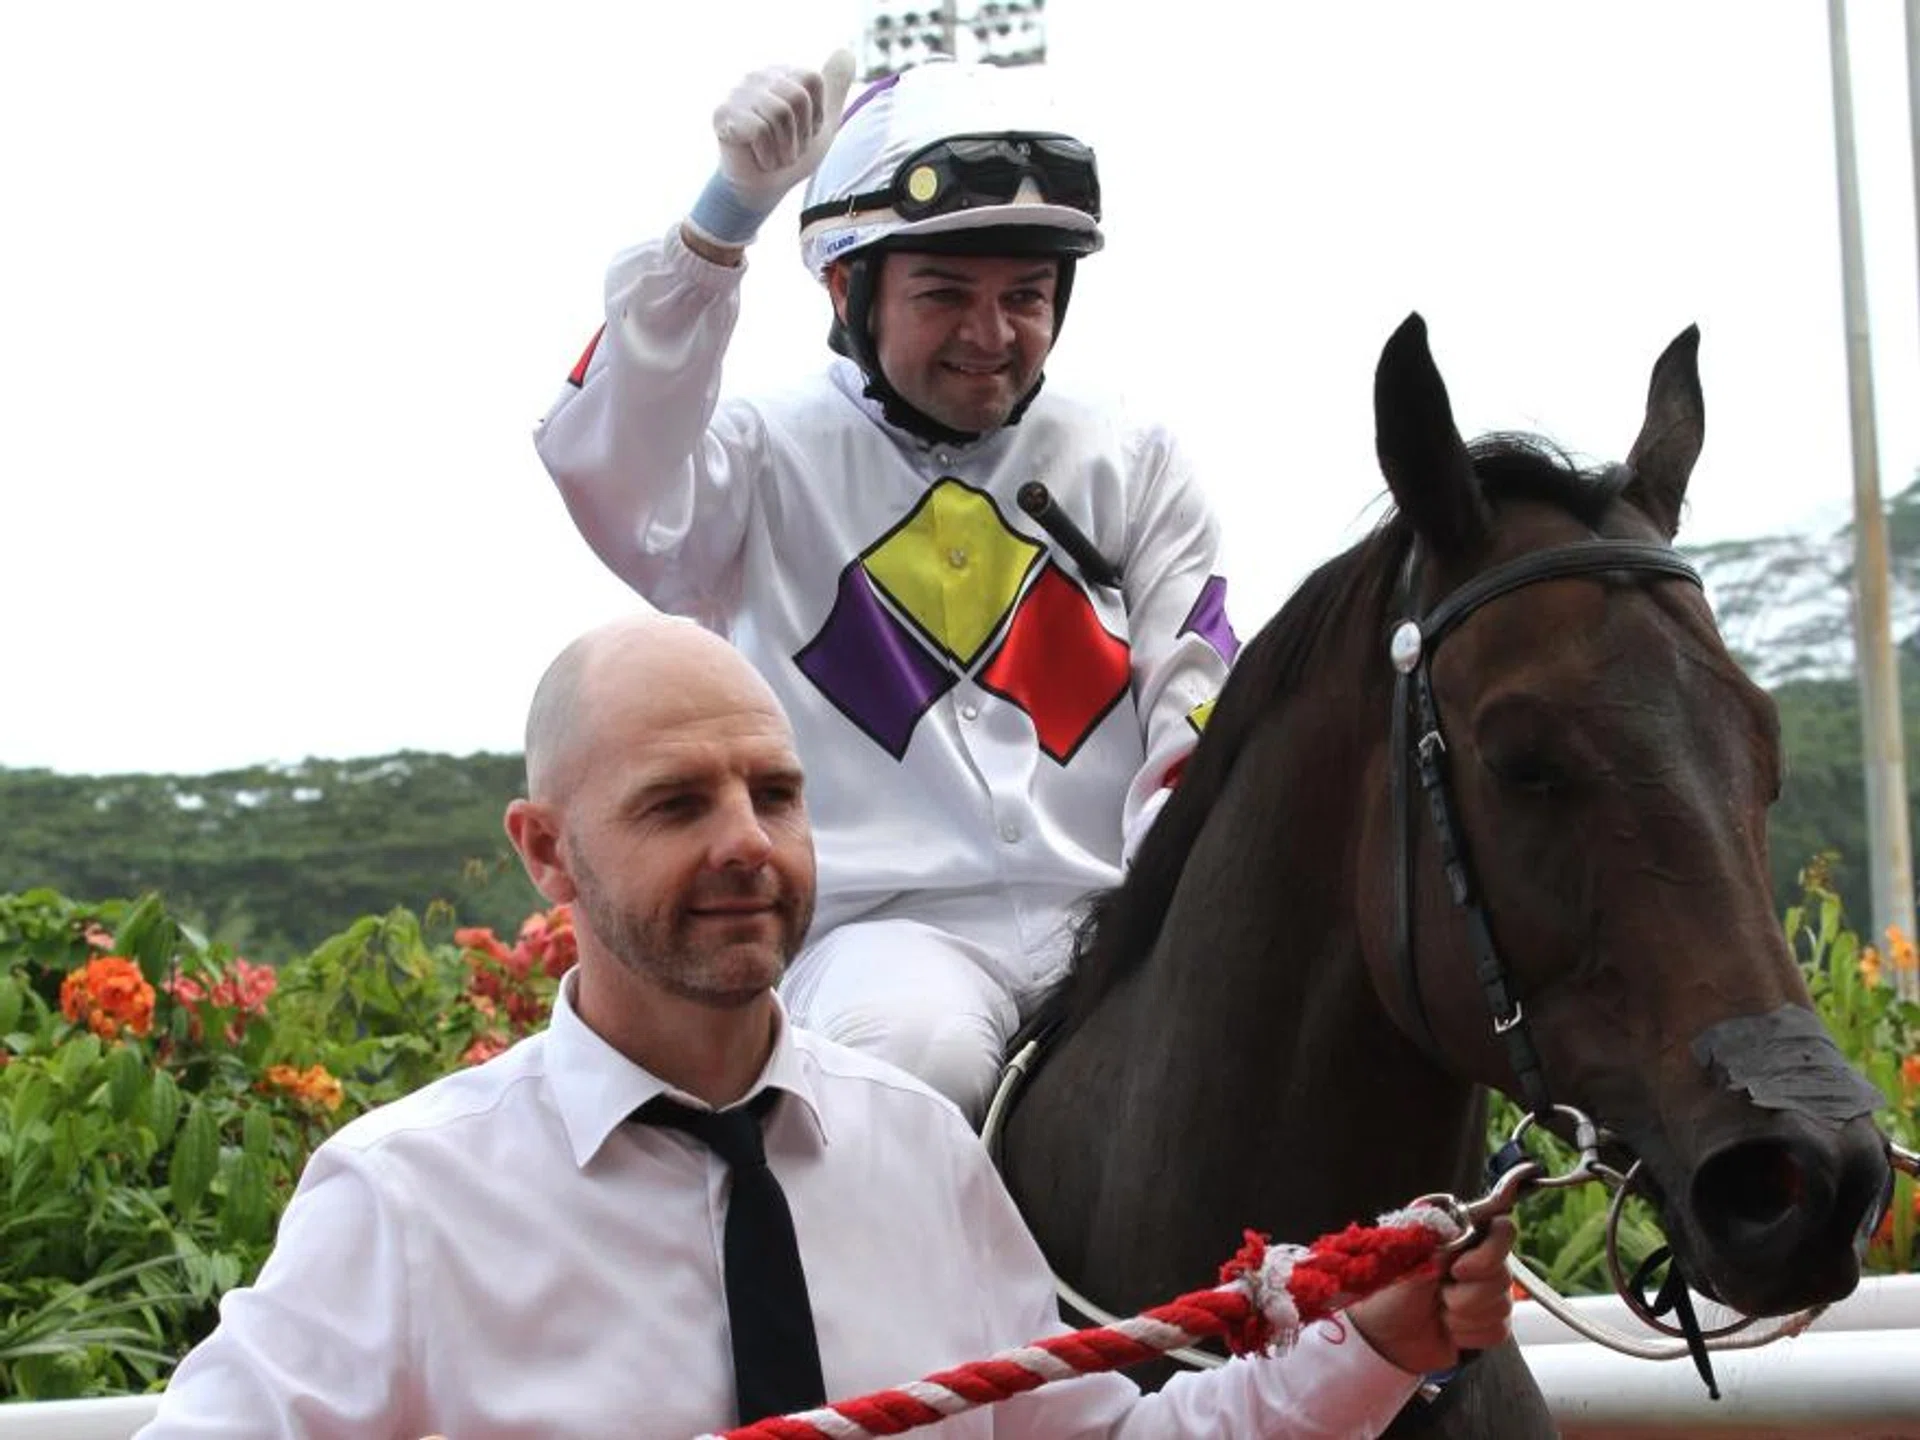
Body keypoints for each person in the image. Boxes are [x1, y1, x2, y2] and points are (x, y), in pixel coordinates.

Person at [134, 612, 1515, 1440]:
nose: (748, 843)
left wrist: (1371, 1348)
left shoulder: (921, 1149)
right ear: (546, 853)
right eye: (678, 804)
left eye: (776, 795)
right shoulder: (405, 1202)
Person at [533, 52, 1242, 1122]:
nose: (991, 336)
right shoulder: (757, 455)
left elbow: (1196, 703)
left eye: (1027, 296)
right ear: (845, 288)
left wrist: (1182, 911)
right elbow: (605, 468)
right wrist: (719, 227)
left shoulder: (1134, 457)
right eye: (945, 294)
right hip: (881, 940)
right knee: (920, 1059)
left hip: (1116, 909)